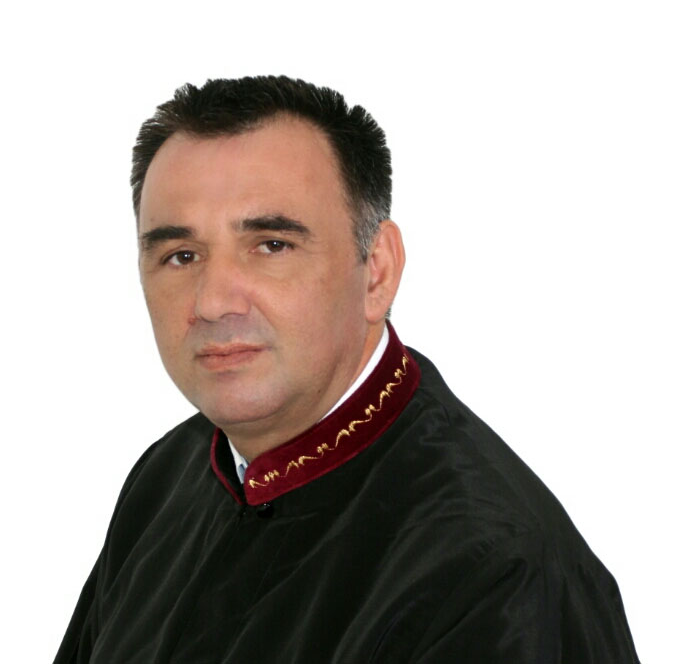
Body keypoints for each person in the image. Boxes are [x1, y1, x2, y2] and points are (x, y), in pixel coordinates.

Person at [54, 76, 640, 663]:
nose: (212, 302)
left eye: (272, 245)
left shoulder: (495, 577)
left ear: (377, 271)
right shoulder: (164, 478)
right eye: (181, 256)